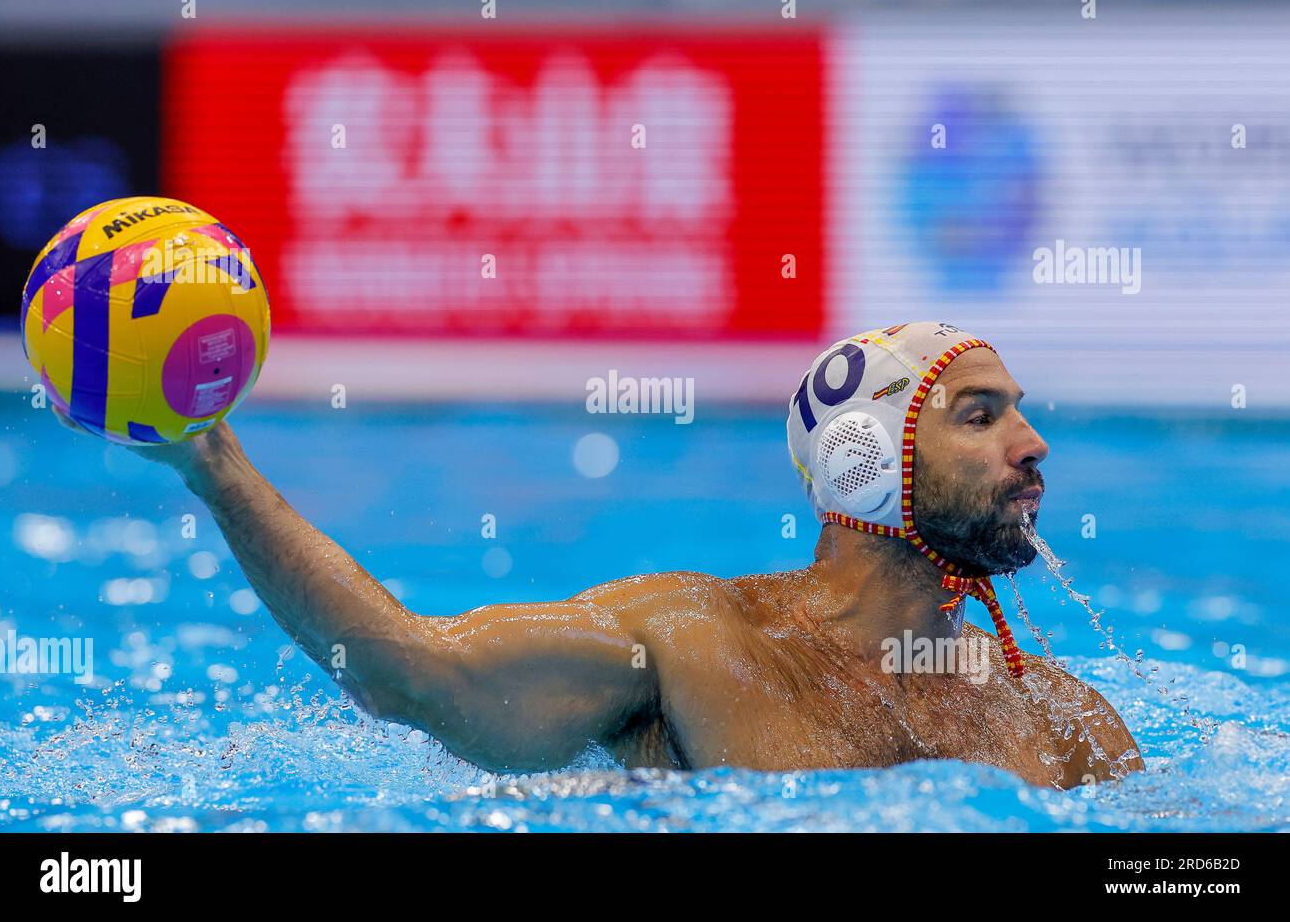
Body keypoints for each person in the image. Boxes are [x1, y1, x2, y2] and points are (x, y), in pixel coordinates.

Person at [56, 321, 1143, 788]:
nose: (1031, 441)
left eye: (1021, 413)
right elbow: (406, 668)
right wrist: (217, 467)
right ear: (867, 456)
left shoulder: (1061, 716)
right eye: (980, 413)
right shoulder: (691, 642)